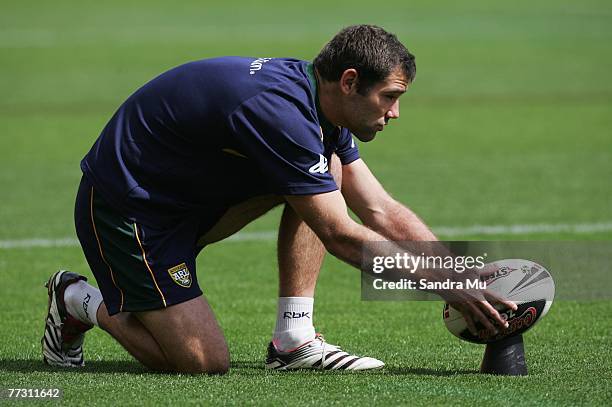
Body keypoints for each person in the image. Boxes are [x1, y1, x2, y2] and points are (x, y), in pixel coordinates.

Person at [42, 25, 513, 374]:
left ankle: (293, 341)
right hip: (130, 213)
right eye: (389, 97)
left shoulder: (319, 108)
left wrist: (458, 270)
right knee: (202, 363)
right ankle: (78, 300)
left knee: (324, 173)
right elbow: (341, 236)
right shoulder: (280, 114)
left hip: (191, 200)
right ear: (349, 82)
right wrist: (443, 284)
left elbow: (379, 208)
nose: (395, 113)